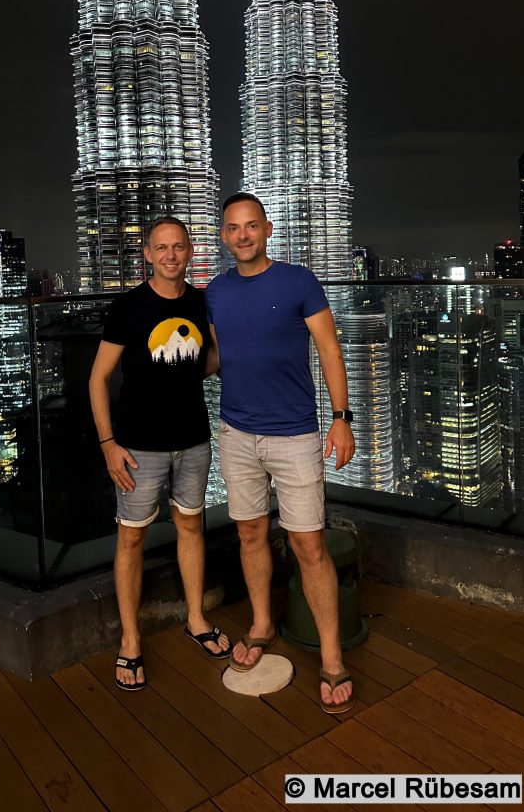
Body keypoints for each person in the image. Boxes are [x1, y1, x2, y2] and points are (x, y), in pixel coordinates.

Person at [206, 193, 356, 714]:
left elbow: (330, 348)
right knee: (250, 533)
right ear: (224, 235)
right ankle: (263, 623)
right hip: (236, 433)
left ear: (267, 230)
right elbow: (216, 355)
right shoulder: (215, 293)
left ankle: (332, 656)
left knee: (308, 545)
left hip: (294, 435)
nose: (243, 235)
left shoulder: (298, 280)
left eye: (251, 226)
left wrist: (342, 418)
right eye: (233, 228)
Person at [89, 216, 231, 691]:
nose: (171, 255)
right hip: (136, 447)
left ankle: (195, 618)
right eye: (161, 248)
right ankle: (130, 640)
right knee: (131, 538)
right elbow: (98, 378)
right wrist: (109, 444)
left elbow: (206, 359)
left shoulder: (200, 301)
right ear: (147, 254)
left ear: (190, 251)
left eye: (179, 246)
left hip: (192, 439)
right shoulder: (127, 306)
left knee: (191, 525)